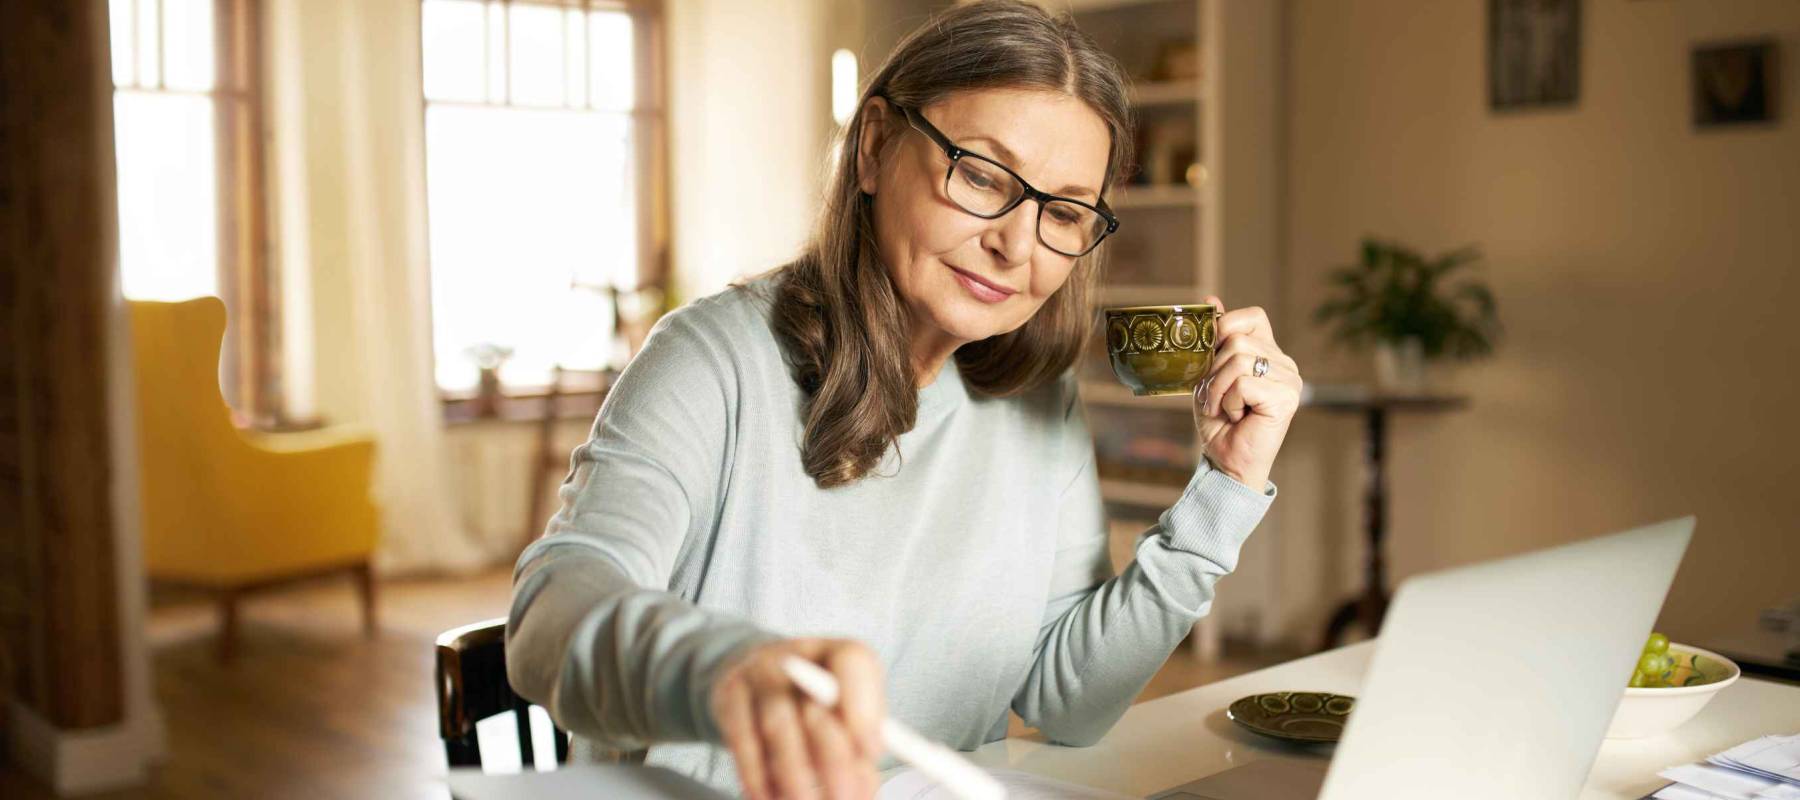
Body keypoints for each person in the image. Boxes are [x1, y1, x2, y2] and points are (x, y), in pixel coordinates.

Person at [504, 2, 1303, 798]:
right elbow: (549, 616)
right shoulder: (712, 360)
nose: (1016, 244)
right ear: (876, 148)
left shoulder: (1036, 397)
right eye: (984, 175)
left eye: (1062, 211)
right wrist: (722, 669)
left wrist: (1226, 487)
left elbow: (1073, 701)